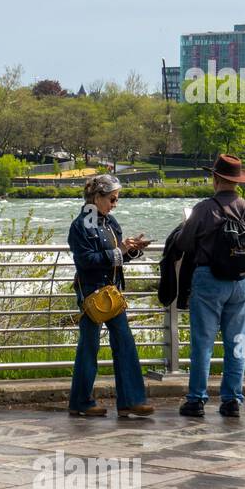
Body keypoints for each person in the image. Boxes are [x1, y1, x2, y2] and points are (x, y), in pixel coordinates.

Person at [174, 154, 245, 418]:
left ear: (216, 179)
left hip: (208, 280)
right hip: (241, 282)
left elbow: (184, 244)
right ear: (237, 182)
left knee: (203, 343)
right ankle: (232, 400)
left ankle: (196, 400)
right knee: (238, 341)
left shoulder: (204, 208)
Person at [67, 174, 154, 418]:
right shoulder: (81, 224)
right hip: (93, 294)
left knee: (123, 344)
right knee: (89, 347)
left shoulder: (109, 222)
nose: (115, 204)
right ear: (97, 197)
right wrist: (120, 251)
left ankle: (129, 401)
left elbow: (116, 256)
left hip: (112, 293)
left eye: (116, 199)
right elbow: (85, 261)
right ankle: (82, 401)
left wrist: (132, 251)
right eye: (112, 199)